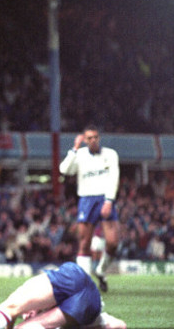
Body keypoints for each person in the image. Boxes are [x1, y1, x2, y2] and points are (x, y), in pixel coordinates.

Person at [0, 262, 127, 329]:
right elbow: (120, 325)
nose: (27, 316)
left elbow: (11, 310)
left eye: (27, 314)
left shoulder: (31, 293)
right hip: (91, 305)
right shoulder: (56, 322)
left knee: (10, 307)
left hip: (74, 279)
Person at [59, 125, 120, 292]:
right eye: (89, 138)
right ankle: (87, 285)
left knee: (113, 242)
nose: (93, 140)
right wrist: (74, 148)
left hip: (105, 198)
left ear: (99, 138)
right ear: (85, 140)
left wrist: (109, 200)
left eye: (95, 137)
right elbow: (64, 170)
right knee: (84, 242)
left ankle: (100, 270)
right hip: (86, 199)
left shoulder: (110, 154)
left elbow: (114, 177)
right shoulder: (79, 155)